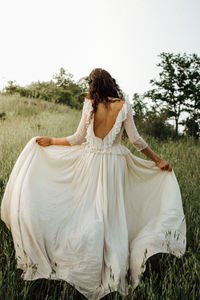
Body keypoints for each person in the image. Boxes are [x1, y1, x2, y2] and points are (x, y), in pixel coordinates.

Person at [1, 68, 186, 300]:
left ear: (93, 84)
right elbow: (136, 140)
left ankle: (84, 256)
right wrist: (157, 160)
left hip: (90, 161)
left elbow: (78, 138)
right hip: (114, 166)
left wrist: (51, 141)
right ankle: (110, 262)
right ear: (111, 83)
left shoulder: (90, 103)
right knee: (111, 216)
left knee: (87, 211)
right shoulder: (124, 105)